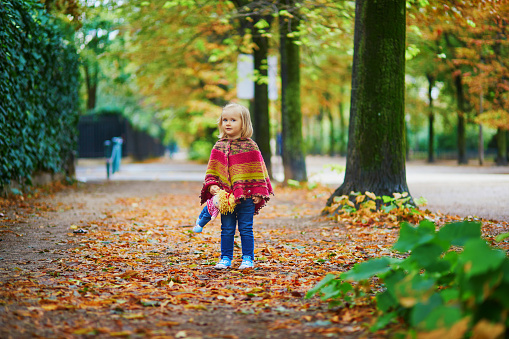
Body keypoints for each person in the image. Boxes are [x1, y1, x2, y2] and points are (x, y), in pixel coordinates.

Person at [199, 102, 273, 270]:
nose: (228, 123)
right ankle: (225, 258)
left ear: (243, 123)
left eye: (233, 120)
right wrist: (212, 186)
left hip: (246, 195)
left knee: (246, 228)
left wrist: (258, 192)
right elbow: (212, 170)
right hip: (226, 198)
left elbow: (258, 170)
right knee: (227, 228)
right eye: (225, 120)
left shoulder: (250, 146)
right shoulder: (218, 146)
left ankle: (248, 258)